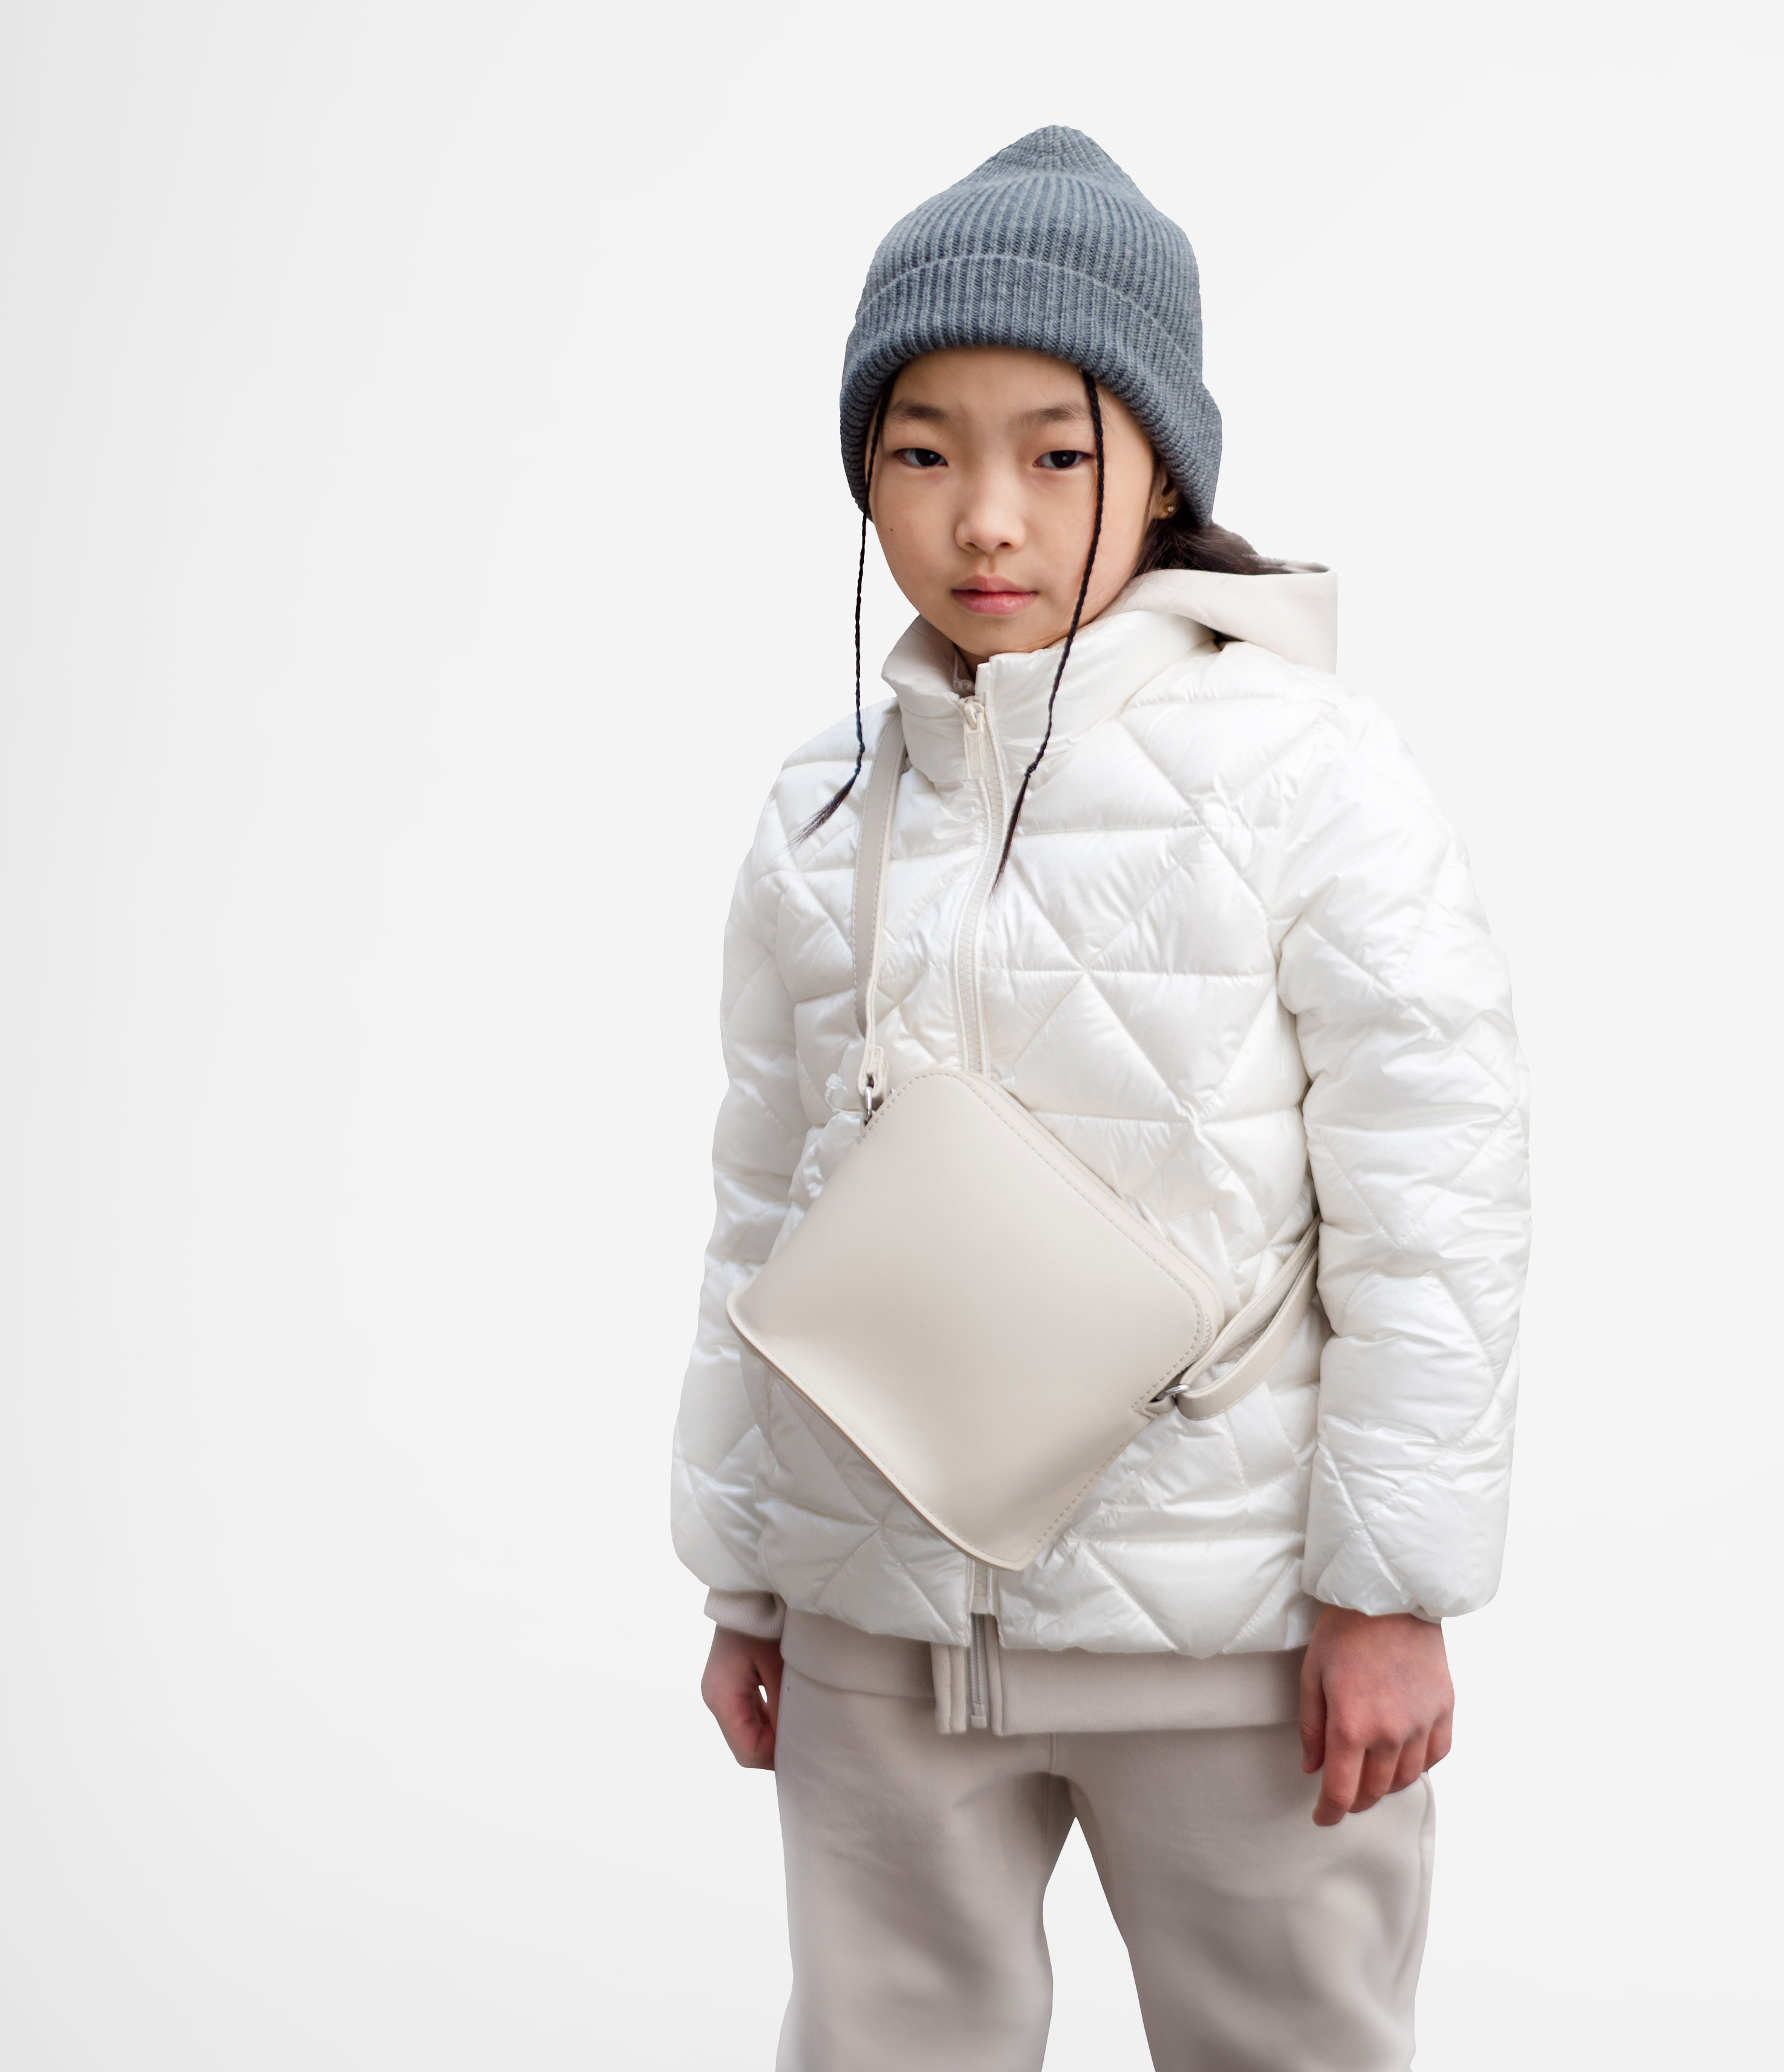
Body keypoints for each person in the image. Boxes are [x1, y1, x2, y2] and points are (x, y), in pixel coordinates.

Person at [672, 127, 1530, 2072]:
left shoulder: (1311, 772)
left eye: (1054, 454)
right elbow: (759, 1201)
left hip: (1232, 1643)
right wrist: (750, 1571)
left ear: (1159, 467)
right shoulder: (822, 807)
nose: (986, 516)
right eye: (921, 451)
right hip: (881, 1628)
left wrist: (1390, 1590)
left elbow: (1435, 1196)